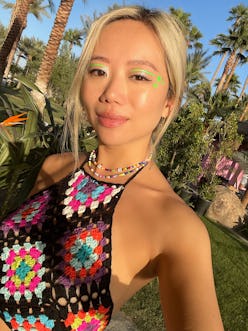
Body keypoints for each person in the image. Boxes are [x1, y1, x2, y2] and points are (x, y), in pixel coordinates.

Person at [0, 6, 224, 331]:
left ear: (169, 102)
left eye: (139, 76)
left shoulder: (177, 228)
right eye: (98, 71)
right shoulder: (55, 166)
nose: (111, 94)